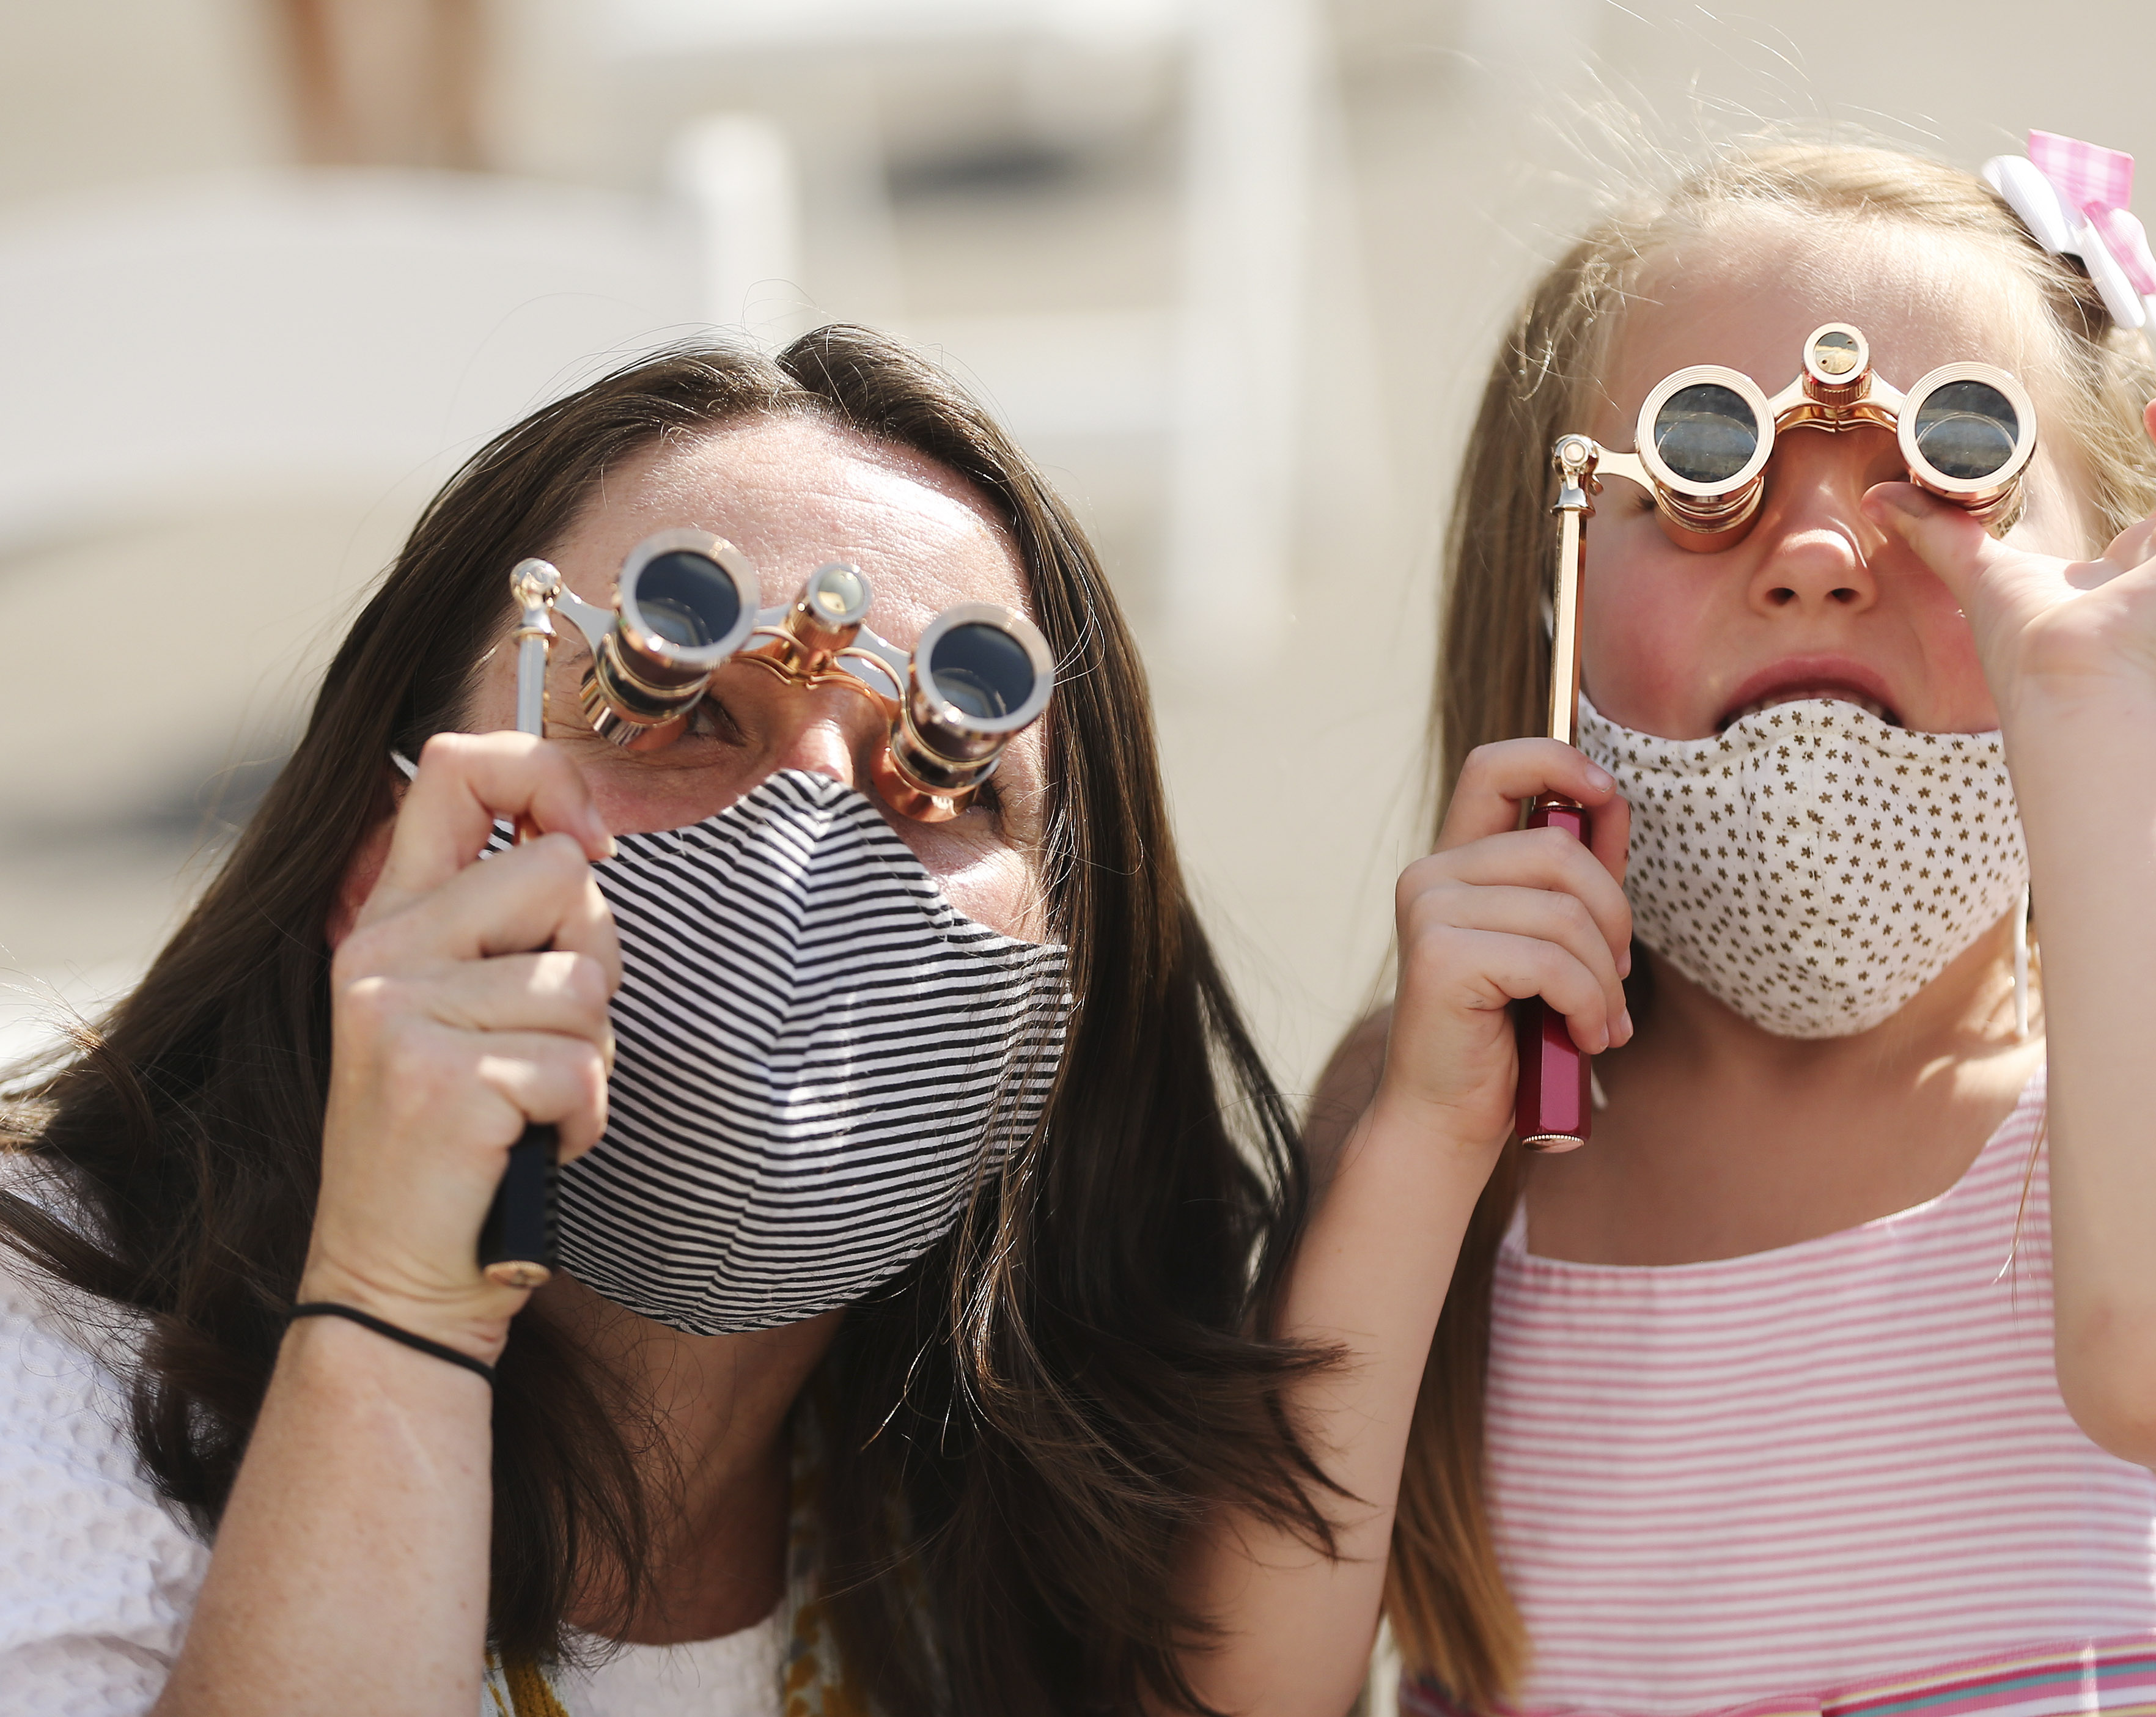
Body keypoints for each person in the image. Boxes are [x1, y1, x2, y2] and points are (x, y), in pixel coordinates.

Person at [0, 327, 1328, 1716]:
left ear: (1057, 989)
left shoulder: (1043, 1523)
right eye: (673, 704)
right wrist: (400, 1308)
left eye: (949, 773)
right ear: (376, 864)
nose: (808, 837)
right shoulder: (51, 1368)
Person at [1182, 139, 2156, 1716]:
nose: (1814, 558)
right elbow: (1239, 1698)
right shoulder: (1442, 1130)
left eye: (1951, 473)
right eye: (1710, 463)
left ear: (2116, 563)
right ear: (1554, 593)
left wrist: (2092, 712)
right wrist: (1425, 1145)